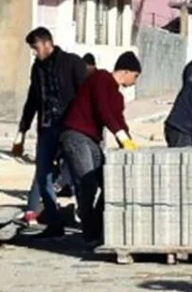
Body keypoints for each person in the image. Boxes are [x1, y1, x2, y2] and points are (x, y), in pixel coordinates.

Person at [60, 51, 143, 245]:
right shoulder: (100, 79)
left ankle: (97, 227)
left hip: (92, 140)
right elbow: (102, 110)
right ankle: (89, 235)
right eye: (136, 76)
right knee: (87, 183)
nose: (135, 81)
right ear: (127, 71)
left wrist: (129, 142)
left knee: (110, 183)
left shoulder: (117, 96)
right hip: (76, 135)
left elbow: (118, 119)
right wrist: (121, 136)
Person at [15, 27, 89, 233]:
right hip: (46, 128)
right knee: (43, 174)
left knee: (77, 175)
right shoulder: (36, 69)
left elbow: (85, 97)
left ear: (48, 44)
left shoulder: (72, 63)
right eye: (32, 49)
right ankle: (53, 221)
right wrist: (22, 129)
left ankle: (87, 223)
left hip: (70, 129)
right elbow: (32, 100)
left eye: (36, 47)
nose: (34, 52)